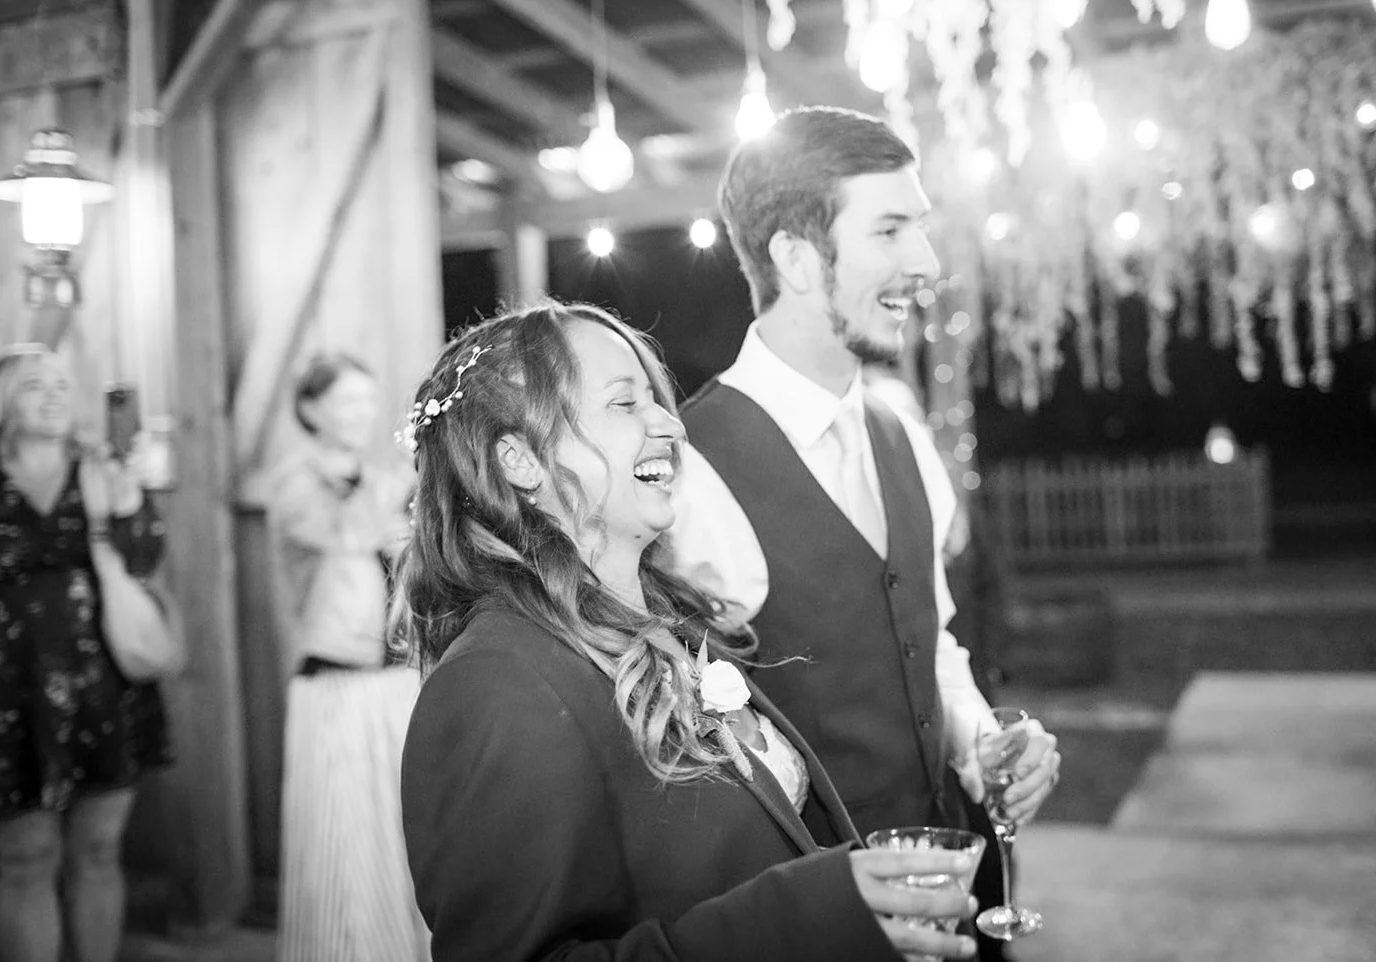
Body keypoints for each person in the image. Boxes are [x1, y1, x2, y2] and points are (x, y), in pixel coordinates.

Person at [396, 302, 979, 962]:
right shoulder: (496, 685)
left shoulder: (674, 620)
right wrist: (801, 919)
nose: (669, 423)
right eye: (624, 404)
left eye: (657, 399)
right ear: (521, 460)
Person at [667, 107, 1061, 956]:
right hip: (816, 930)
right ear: (796, 258)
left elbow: (933, 641)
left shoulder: (902, 434)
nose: (924, 262)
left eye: (919, 228)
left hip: (958, 899)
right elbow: (692, 751)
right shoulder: (693, 472)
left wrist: (987, 745)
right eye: (890, 230)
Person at [0, 344, 172, 962]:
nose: (52, 394)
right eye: (33, 385)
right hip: (9, 692)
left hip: (103, 680)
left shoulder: (99, 470)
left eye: (61, 385)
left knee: (98, 850)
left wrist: (130, 499)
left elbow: (147, 558)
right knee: (25, 857)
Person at [267, 353, 427, 962]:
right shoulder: (295, 483)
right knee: (345, 847)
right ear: (311, 410)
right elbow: (345, 534)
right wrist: (408, 482)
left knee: (402, 838)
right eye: (346, 402)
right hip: (333, 681)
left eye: (367, 399)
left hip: (394, 679)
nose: (362, 413)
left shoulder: (384, 480)